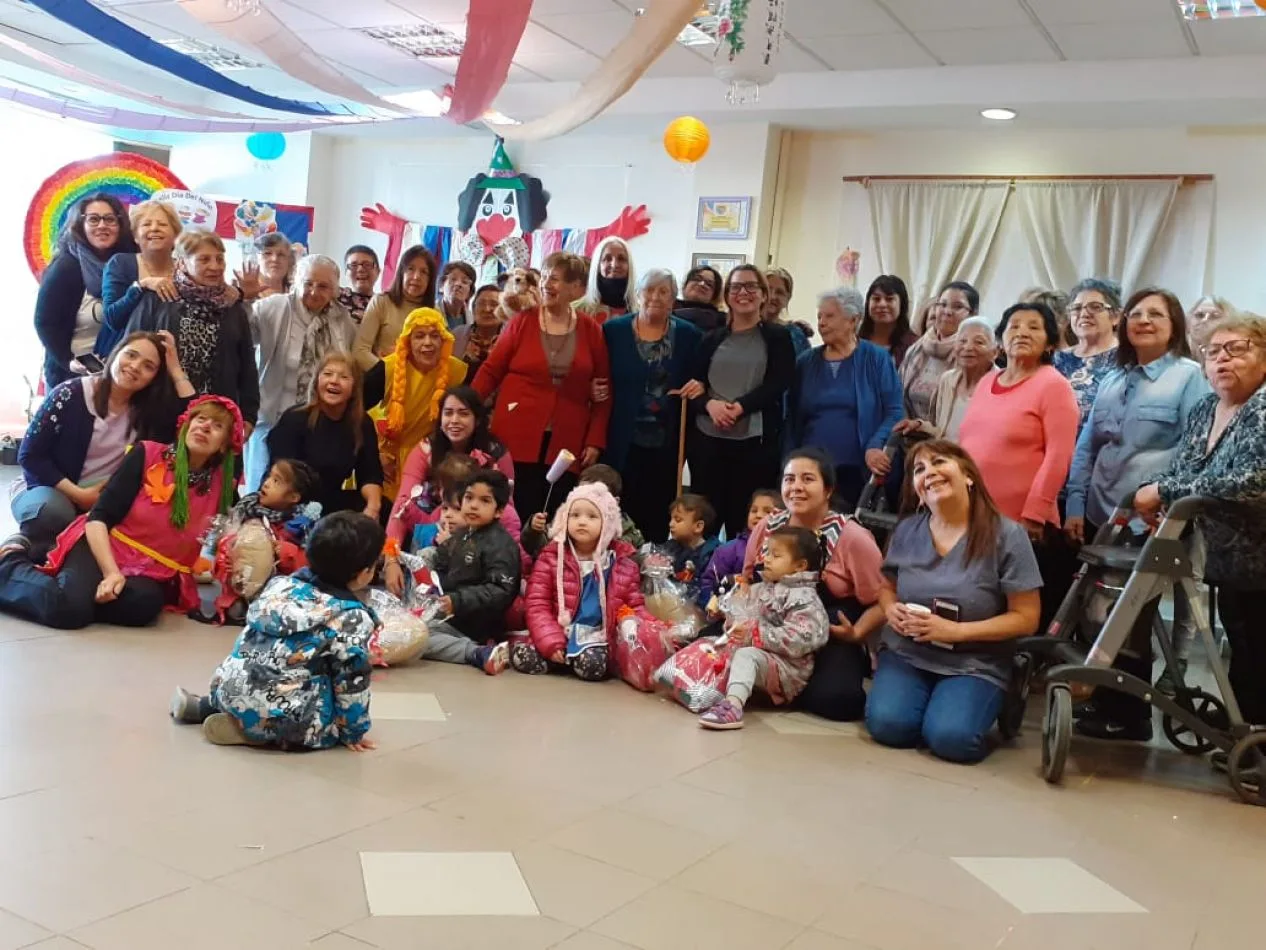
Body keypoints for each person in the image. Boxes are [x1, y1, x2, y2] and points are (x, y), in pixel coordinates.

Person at [865, 440, 1043, 764]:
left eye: (939, 462)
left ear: (969, 476)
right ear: (918, 491)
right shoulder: (906, 530)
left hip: (974, 660)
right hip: (909, 652)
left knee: (952, 741)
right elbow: (886, 587)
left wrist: (955, 632)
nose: (929, 473)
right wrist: (890, 609)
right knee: (889, 727)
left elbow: (1026, 617)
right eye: (919, 470)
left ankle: (1000, 694)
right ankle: (932, 702)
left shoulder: (1008, 535)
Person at [0, 395, 241, 629]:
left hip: (152, 572)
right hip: (102, 546)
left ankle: (68, 587)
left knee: (144, 605)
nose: (205, 426)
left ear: (224, 445)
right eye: (200, 419)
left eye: (217, 425)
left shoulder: (224, 486)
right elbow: (98, 519)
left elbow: (235, 534)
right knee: (70, 611)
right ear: (187, 425)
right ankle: (11, 564)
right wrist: (111, 573)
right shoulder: (147, 454)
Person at [1133, 315, 1266, 733]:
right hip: (1228, 559)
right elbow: (1185, 467)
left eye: (1238, 348)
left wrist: (1166, 490)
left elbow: (1253, 479)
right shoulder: (1208, 407)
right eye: (1213, 351)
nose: (1223, 359)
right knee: (1244, 649)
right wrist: (1160, 489)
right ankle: (1247, 733)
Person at [170, 510, 383, 751]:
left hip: (229, 685)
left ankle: (208, 706)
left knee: (258, 666)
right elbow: (352, 681)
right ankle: (256, 732)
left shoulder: (279, 585)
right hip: (281, 708)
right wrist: (353, 731)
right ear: (364, 572)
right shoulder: (350, 617)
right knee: (321, 722)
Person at [9, 331, 194, 555]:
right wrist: (79, 495)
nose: (135, 366)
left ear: (155, 378)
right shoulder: (69, 394)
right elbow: (30, 456)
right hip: (48, 489)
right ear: (115, 355)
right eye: (131, 355)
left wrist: (174, 369)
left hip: (100, 503)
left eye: (148, 366)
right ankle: (20, 546)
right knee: (55, 513)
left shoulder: (148, 414)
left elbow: (192, 419)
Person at [958, 301, 1079, 627]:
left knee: (1015, 614)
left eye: (1034, 327)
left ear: (1051, 342)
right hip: (974, 518)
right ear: (1000, 339)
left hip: (1023, 526)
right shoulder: (986, 382)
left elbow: (1059, 455)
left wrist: (1034, 515)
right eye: (1014, 325)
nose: (1022, 332)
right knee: (978, 605)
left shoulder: (1054, 386)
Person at [744, 449, 888, 722]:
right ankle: (777, 683)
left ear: (828, 489)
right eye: (789, 479)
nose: (796, 487)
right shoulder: (767, 527)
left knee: (839, 701)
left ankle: (779, 687)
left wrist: (856, 633)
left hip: (829, 637)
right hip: (768, 626)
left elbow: (883, 599)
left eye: (807, 479)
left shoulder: (852, 536)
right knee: (701, 648)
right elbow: (747, 579)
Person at [472, 251, 612, 519]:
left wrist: (595, 440)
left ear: (576, 288)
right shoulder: (522, 321)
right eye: (545, 276)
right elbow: (491, 371)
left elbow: (603, 391)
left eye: (556, 279)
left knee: (552, 510)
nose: (547, 284)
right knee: (511, 508)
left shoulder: (591, 329)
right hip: (515, 430)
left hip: (566, 437)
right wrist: (464, 409)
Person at [687, 265, 795, 537]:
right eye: (736, 287)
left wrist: (742, 406)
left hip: (754, 447)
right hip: (707, 443)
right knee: (705, 524)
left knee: (744, 525)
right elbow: (692, 386)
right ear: (726, 295)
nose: (743, 292)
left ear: (763, 295)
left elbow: (779, 382)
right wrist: (710, 405)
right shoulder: (710, 338)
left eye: (751, 286)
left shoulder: (778, 337)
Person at [383, 386, 519, 591]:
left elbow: (506, 511)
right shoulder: (426, 449)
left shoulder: (496, 454)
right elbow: (402, 506)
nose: (454, 420)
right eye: (448, 413)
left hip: (481, 545)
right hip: (430, 538)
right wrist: (391, 558)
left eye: (463, 414)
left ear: (478, 419)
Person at [602, 269, 702, 542]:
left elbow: (700, 376)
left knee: (659, 511)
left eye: (663, 292)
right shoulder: (614, 331)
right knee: (619, 506)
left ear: (673, 300)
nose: (655, 297)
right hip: (621, 435)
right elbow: (599, 372)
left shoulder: (689, 335)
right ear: (637, 295)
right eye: (649, 290)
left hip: (667, 440)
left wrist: (699, 386)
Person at [125, 229, 260, 430]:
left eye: (219, 259)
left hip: (215, 419)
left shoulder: (232, 307)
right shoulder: (158, 299)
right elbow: (131, 349)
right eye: (204, 259)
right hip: (160, 412)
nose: (215, 266)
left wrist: (248, 417)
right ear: (181, 263)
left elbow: (247, 366)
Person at [699, 526, 830, 730]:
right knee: (709, 646)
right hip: (761, 654)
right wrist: (733, 621)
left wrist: (755, 633)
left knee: (746, 656)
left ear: (800, 566)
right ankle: (696, 686)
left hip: (787, 668)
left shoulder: (804, 597)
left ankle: (732, 706)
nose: (767, 559)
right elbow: (743, 616)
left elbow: (805, 638)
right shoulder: (761, 588)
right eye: (767, 552)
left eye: (776, 555)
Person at [245, 255, 356, 491]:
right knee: (262, 490)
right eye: (308, 283)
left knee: (301, 493)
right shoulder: (275, 306)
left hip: (313, 423)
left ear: (335, 290)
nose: (314, 292)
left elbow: (347, 363)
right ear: (296, 281)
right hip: (271, 417)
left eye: (323, 286)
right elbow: (245, 334)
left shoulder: (341, 320)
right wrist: (246, 299)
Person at [786, 288, 903, 513]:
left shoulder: (876, 358)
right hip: (811, 471)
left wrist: (875, 445)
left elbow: (895, 410)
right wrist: (789, 462)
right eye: (819, 316)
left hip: (858, 471)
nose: (821, 323)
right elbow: (792, 420)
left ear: (853, 320)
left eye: (829, 316)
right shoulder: (805, 362)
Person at [516, 482, 644, 682]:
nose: (581, 522)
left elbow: (634, 606)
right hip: (557, 629)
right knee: (524, 657)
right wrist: (551, 642)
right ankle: (559, 656)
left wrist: (655, 628)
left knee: (593, 667)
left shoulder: (622, 564)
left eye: (592, 516)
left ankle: (568, 660)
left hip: (595, 637)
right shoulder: (550, 557)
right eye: (575, 515)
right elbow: (537, 604)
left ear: (608, 522)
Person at [410, 470, 521, 675]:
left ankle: (477, 652)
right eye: (469, 498)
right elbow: (442, 564)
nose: (473, 505)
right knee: (423, 558)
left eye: (484, 500)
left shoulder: (501, 545)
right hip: (449, 612)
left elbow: (501, 590)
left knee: (416, 639)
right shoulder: (463, 534)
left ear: (499, 510)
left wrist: (457, 600)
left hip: (474, 624)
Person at [34, 193, 137, 387]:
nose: (102, 225)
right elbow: (45, 322)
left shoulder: (129, 264)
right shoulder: (66, 267)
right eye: (93, 219)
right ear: (80, 225)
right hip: (71, 375)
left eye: (110, 219)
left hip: (118, 376)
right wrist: (67, 361)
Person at [367, 307, 468, 502]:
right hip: (386, 463)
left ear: (443, 341)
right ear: (408, 342)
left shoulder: (457, 372)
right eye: (419, 336)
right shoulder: (387, 368)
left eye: (434, 336)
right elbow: (355, 413)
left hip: (431, 462)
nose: (427, 343)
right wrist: (374, 455)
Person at [266, 352, 383, 520]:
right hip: (290, 500)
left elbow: (370, 474)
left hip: (332, 501)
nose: (334, 381)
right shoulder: (294, 419)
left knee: (384, 508)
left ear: (354, 388)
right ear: (317, 381)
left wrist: (373, 508)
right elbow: (279, 477)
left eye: (343, 377)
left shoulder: (363, 424)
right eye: (327, 374)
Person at [203, 458, 321, 624]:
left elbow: (308, 565)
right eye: (269, 477)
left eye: (276, 481)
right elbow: (222, 544)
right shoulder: (248, 510)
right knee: (234, 607)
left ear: (294, 497)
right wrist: (226, 561)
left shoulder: (302, 526)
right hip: (241, 584)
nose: (266, 484)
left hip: (280, 588)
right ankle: (242, 603)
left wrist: (286, 551)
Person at [98, 200, 181, 355]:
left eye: (162, 224)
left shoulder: (187, 270)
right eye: (146, 224)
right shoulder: (121, 263)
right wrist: (141, 286)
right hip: (125, 359)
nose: (154, 228)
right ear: (135, 236)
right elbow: (112, 319)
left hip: (173, 359)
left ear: (175, 234)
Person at [896, 317, 998, 442]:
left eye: (979, 342)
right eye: (962, 341)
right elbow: (942, 431)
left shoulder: (1000, 387)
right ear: (955, 347)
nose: (968, 347)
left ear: (995, 352)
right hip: (947, 458)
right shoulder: (948, 379)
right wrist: (920, 426)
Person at [521, 463, 644, 558]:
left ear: (615, 502)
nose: (587, 499)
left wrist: (645, 561)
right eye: (582, 492)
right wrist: (534, 531)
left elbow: (635, 561)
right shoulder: (565, 520)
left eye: (595, 494)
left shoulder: (625, 530)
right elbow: (539, 548)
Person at [900, 281, 977, 423]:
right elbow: (897, 396)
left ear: (972, 314)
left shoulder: (974, 356)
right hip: (907, 434)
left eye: (958, 306)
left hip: (948, 440)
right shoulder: (916, 349)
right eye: (942, 304)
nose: (947, 311)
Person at [354, 245, 437, 370]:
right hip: (383, 380)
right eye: (410, 269)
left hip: (420, 384)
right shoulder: (382, 301)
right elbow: (360, 351)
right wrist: (388, 371)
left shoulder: (435, 312)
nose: (416, 277)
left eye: (424, 272)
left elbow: (439, 355)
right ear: (401, 272)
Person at [1053, 278, 1121, 427]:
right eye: (1076, 308)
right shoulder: (1056, 359)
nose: (1084, 313)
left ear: (1116, 317)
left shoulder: (1127, 358)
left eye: (1095, 307)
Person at [701, 488, 781, 607]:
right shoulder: (728, 550)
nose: (758, 515)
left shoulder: (785, 551)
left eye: (767, 512)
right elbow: (708, 583)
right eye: (753, 511)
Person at [661, 493, 720, 603]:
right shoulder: (669, 548)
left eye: (678, 520)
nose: (670, 524)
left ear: (698, 526)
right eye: (671, 519)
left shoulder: (712, 554)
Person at [575, 236, 636, 325]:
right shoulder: (576, 311)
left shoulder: (640, 310)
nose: (614, 265)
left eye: (621, 259)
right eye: (607, 259)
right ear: (598, 266)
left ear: (629, 266)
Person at [860, 274, 917, 367]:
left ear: (901, 305)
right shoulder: (853, 341)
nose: (882, 304)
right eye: (876, 299)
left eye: (889, 299)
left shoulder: (914, 346)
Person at [452, 284, 504, 374]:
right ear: (473, 309)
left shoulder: (513, 338)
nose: (487, 309)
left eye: (494, 304)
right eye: (481, 304)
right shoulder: (457, 335)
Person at [764, 266, 812, 353]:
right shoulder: (744, 329)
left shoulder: (795, 334)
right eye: (768, 290)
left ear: (787, 298)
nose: (772, 296)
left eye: (779, 292)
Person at [673, 264, 725, 333]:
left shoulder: (721, 320)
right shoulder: (668, 306)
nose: (702, 284)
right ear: (685, 285)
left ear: (714, 295)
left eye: (709, 284)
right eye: (697, 279)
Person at [338, 245, 380, 324]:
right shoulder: (334, 297)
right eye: (353, 265)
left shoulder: (384, 303)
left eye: (367, 265)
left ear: (378, 271)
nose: (360, 269)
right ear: (346, 273)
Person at [437, 260, 477, 330]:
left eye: (464, 282)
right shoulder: (429, 312)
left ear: (470, 293)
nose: (458, 284)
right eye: (453, 279)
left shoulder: (473, 320)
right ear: (441, 286)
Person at [255, 232, 294, 299]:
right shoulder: (243, 293)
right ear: (256, 258)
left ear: (289, 260)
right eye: (268, 253)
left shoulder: (297, 292)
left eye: (281, 254)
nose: (274, 259)